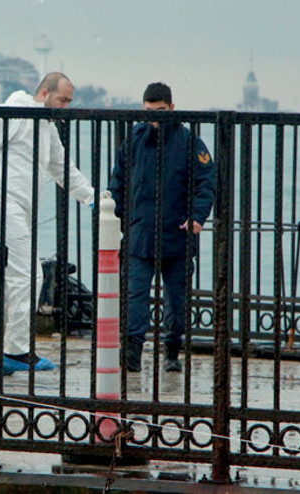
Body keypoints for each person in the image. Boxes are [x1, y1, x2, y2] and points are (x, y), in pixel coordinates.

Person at [0, 72, 95, 374]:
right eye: (63, 100)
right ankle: (16, 351)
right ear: (44, 93)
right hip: (0, 204)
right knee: (28, 275)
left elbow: (63, 168)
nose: (66, 107)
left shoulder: (46, 128)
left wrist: (92, 198)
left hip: (19, 208)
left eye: (69, 102)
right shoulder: (14, 113)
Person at [107, 82, 215, 373]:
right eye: (149, 112)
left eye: (160, 111)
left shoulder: (190, 142)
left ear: (172, 108)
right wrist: (118, 216)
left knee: (177, 301)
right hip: (140, 234)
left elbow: (206, 183)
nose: (154, 118)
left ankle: (172, 352)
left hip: (178, 233)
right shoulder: (134, 140)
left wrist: (197, 216)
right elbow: (118, 182)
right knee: (135, 296)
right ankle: (132, 353)